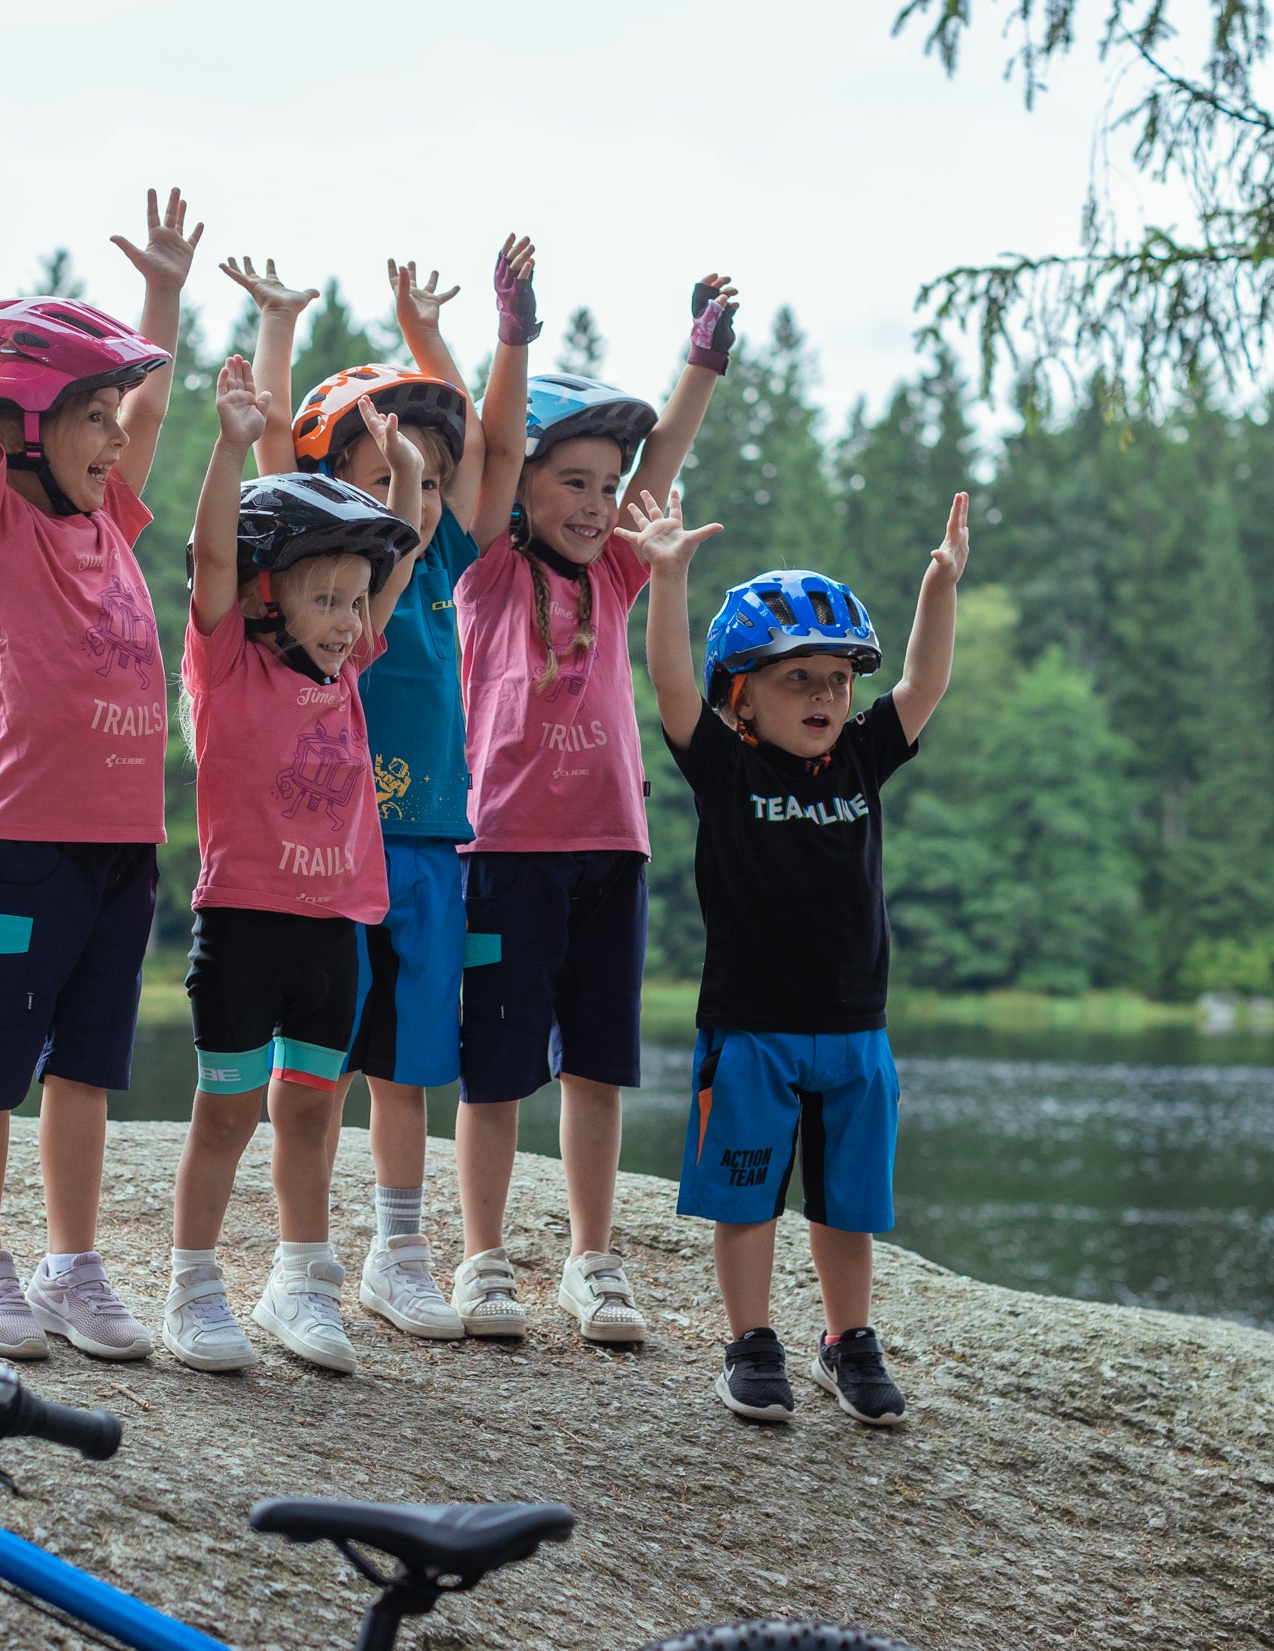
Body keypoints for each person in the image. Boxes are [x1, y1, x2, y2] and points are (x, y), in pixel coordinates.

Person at [0, 146, 199, 1363]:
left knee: (86, 1070)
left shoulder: (109, 518)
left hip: (124, 849)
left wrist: (161, 296)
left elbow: (156, 409)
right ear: (28, 431)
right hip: (20, 847)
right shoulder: (1, 517)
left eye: (113, 423)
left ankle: (73, 1267)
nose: (113, 441)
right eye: (88, 420)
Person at [219, 240, 533, 1341]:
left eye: (432, 478)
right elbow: (266, 446)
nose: (421, 493)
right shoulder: (322, 580)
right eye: (391, 471)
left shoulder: (439, 561)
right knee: (318, 1059)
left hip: (431, 840)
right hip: (326, 853)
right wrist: (279, 323)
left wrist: (452, 336)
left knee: (408, 1057)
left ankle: (399, 1249)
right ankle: (296, 1258)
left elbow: (492, 445)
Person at [636, 484, 969, 1425]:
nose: (824, 696)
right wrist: (667, 578)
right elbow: (666, 683)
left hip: (854, 1031)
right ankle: (748, 1339)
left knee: (846, 1202)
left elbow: (924, 685)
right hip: (751, 1026)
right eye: (797, 679)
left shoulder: (861, 757)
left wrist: (939, 589)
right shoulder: (725, 762)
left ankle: (845, 1337)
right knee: (747, 1196)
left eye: (835, 678)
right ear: (740, 698)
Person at [449, 271, 739, 1343]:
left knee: (599, 1065)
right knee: (494, 1071)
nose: (592, 502)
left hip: (609, 848)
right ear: (521, 485)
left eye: (602, 486)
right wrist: (509, 335)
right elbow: (483, 447)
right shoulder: (480, 568)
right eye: (569, 480)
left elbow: (661, 466)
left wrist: (698, 360)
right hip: (504, 851)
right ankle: (483, 1256)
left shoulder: (616, 572)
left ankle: (589, 1258)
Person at [162, 357, 424, 1373]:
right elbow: (208, 557)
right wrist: (230, 445)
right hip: (244, 922)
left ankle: (298, 1281)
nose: (351, 621)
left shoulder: (348, 660)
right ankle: (192, 1285)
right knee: (226, 1110)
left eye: (355, 604)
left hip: (335, 927)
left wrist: (400, 477)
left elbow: (394, 568)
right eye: (326, 599)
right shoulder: (225, 659)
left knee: (310, 1105)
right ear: (268, 597)